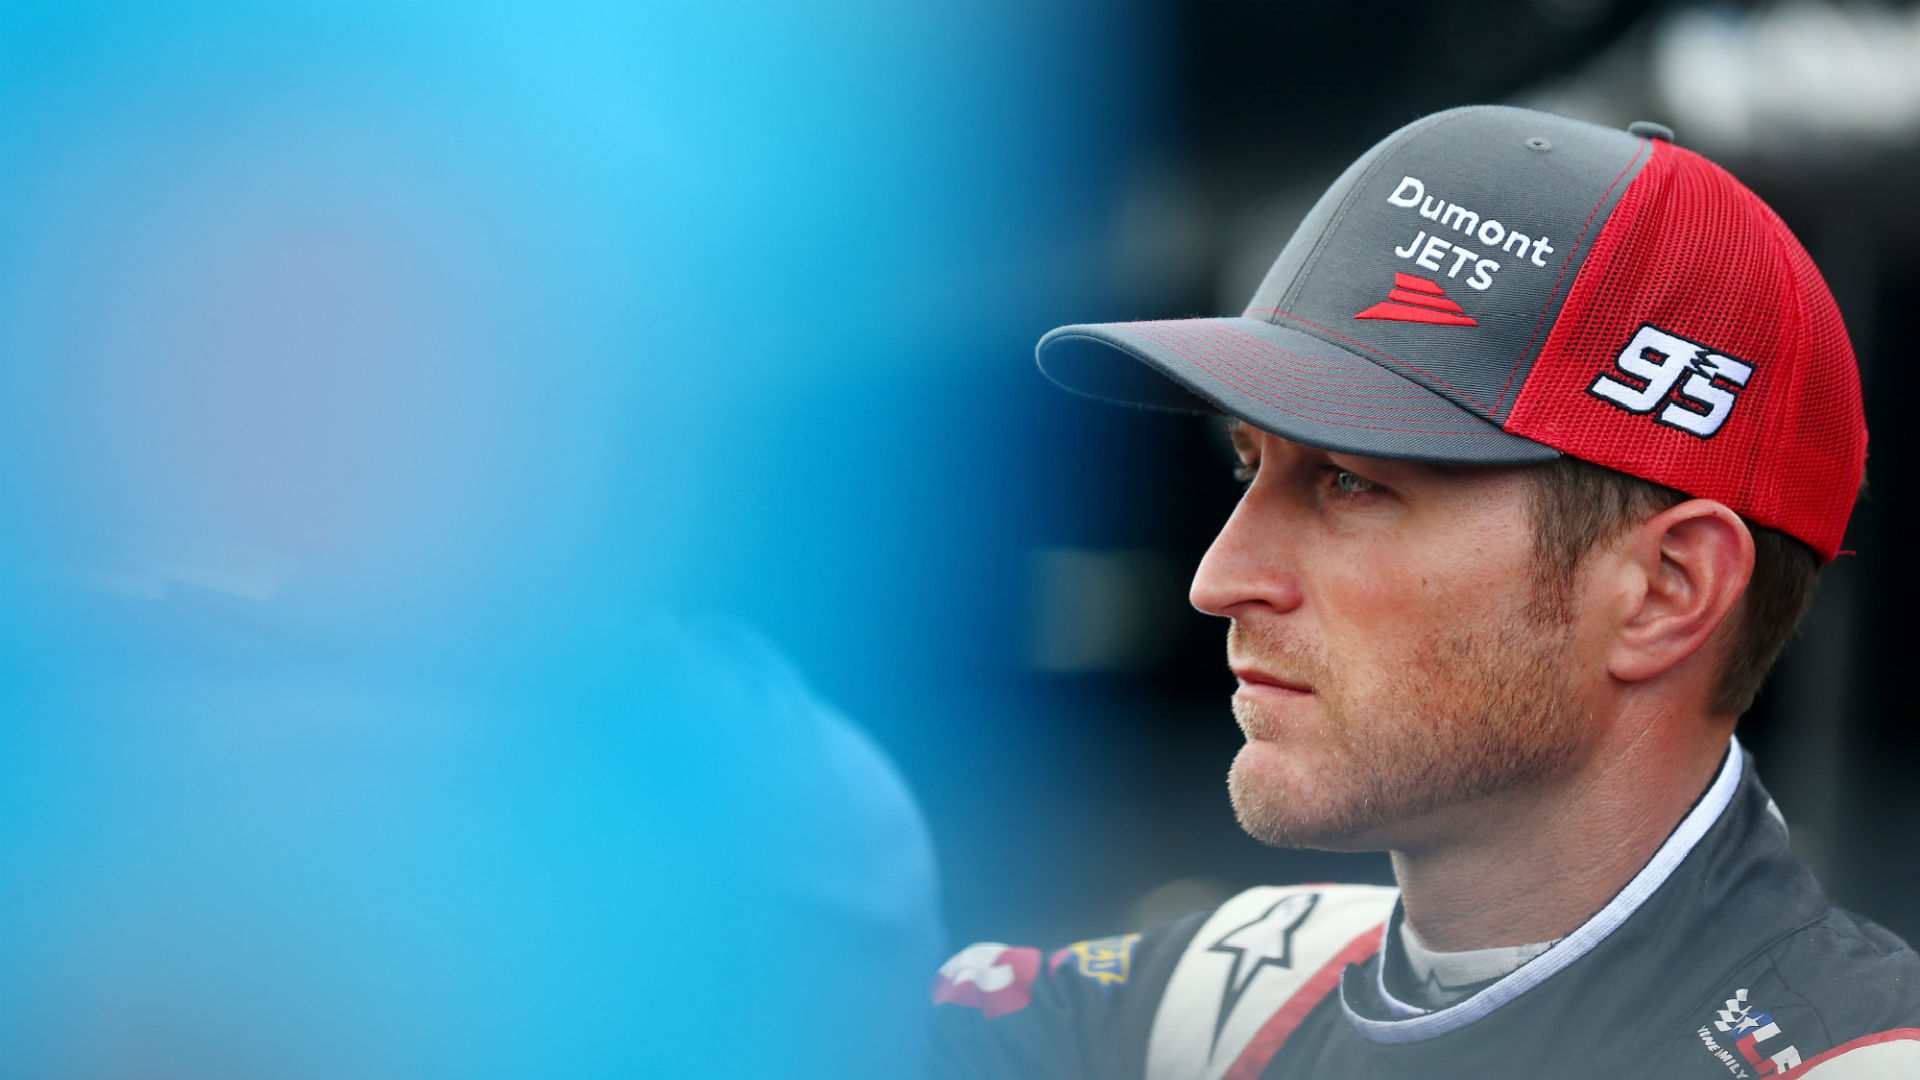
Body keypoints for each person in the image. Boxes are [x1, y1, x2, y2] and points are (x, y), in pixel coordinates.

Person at [931, 106, 1920, 1078]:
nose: (1219, 581)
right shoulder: (1240, 997)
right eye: (1249, 466)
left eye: (1350, 482)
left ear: (1665, 592)